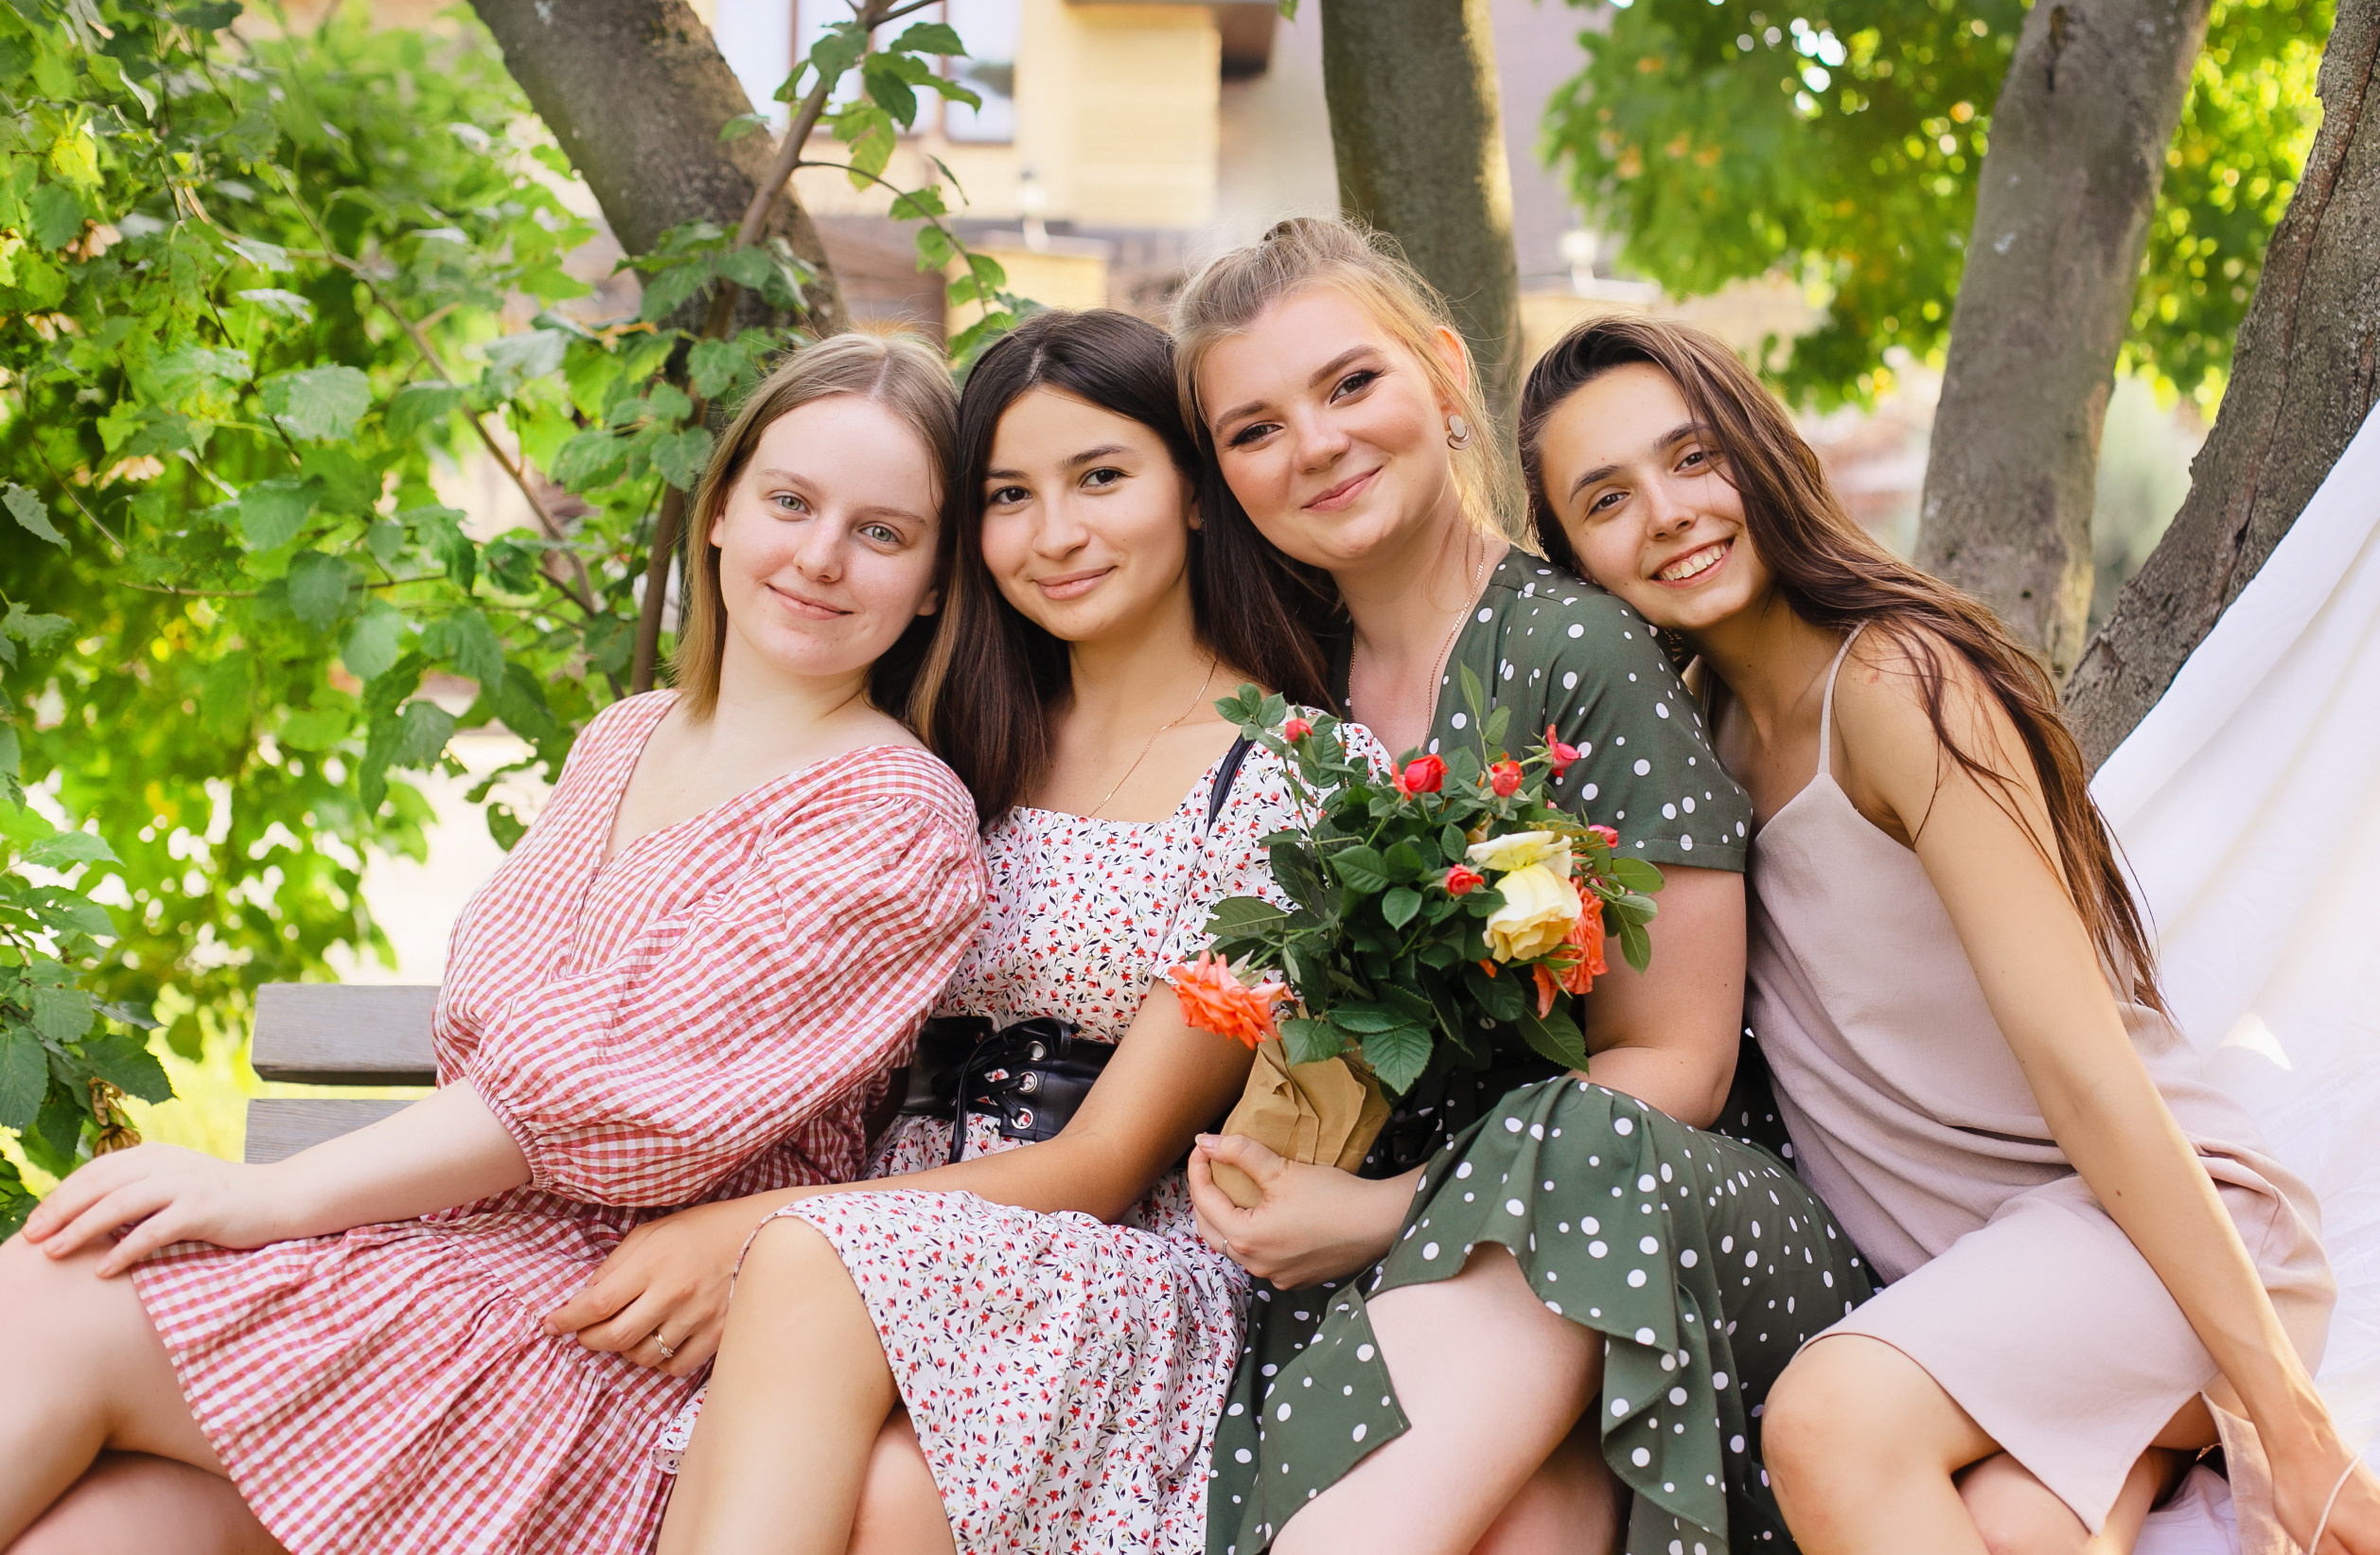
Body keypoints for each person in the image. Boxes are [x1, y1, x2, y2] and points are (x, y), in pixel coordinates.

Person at [0, 332, 990, 1555]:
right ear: (723, 509)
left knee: (59, 1293)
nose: (822, 557)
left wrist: (263, 1198)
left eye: (883, 534)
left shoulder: (893, 819)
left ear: (938, 584)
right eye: (791, 501)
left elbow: (595, 1092)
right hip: (457, 1257)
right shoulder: (623, 741)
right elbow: (506, 1042)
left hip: (619, 1335)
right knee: (100, 1531)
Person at [1520, 311, 2377, 1555]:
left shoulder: (1894, 685)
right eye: (1606, 499)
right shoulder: (1685, 759)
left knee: (1826, 1422)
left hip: (2157, 1240)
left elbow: (2083, 1062)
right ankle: (2147, 1456)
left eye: (1693, 457)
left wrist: (2291, 1422)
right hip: (1991, 1303)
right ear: (1580, 562)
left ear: (1759, 452)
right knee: (2009, 1530)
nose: (1667, 512)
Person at [550, 308, 1366, 1555]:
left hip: (1099, 1261)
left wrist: (762, 1235)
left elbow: (1105, 1162)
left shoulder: (1292, 779)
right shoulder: (950, 744)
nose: (1057, 536)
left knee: (833, 1366)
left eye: (1101, 477)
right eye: (1008, 497)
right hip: (866, 1249)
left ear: (1195, 492)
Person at [1172, 216, 1869, 1555]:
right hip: (1406, 1256)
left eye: (1349, 384)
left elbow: (1678, 1062)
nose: (1313, 445)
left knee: (1573, 1156)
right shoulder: (1282, 690)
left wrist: (1383, 1209)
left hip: (1636, 1211)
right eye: (1252, 430)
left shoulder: (1574, 653)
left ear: (1443, 375)